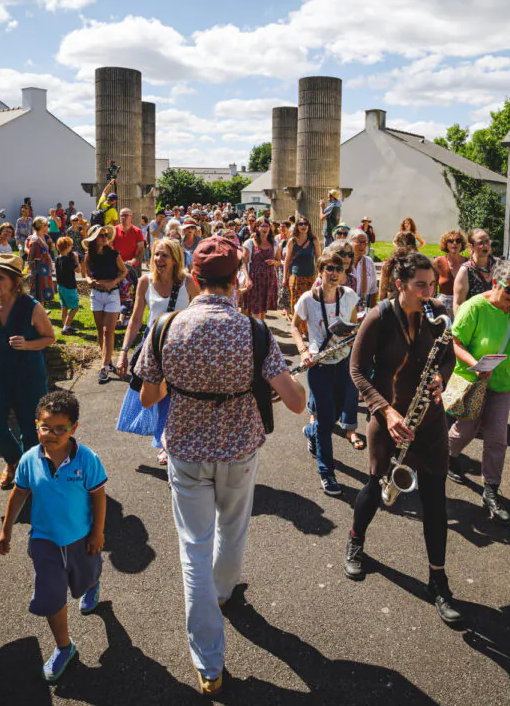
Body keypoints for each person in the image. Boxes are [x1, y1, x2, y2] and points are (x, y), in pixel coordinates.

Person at [135, 236, 307, 695]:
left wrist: (181, 383)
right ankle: (225, 591)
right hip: (238, 449)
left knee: (194, 548)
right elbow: (295, 404)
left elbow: (149, 397)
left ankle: (209, 664)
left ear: (194, 277)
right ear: (237, 281)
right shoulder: (255, 331)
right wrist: (298, 370)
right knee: (233, 529)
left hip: (187, 452)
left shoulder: (167, 327)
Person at [345, 253, 462, 625]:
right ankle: (355, 540)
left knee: (435, 499)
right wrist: (387, 411)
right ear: (400, 285)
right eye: (421, 285)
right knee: (376, 485)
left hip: (429, 420)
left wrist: (442, 377)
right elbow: (357, 371)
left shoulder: (439, 313)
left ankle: (438, 580)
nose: (430, 292)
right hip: (389, 417)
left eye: (433, 284)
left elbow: (448, 358)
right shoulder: (380, 316)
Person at [0, 390, 107, 682]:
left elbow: (98, 497)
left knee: (86, 577)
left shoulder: (87, 459)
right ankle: (64, 647)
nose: (52, 434)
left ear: (74, 428)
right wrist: (7, 530)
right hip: (44, 542)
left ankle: (94, 580)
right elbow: (19, 493)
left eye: (61, 429)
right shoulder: (29, 459)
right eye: (46, 427)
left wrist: (97, 532)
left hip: (81, 539)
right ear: (36, 426)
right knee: (51, 597)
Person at [446, 259, 510, 526]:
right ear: (496, 283)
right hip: (474, 381)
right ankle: (448, 455)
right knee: (465, 430)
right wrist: (475, 365)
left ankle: (491, 490)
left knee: (497, 438)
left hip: (503, 383)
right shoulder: (474, 308)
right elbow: (455, 344)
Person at [0, 255, 56, 489]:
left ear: (16, 281)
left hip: (29, 380)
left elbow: (50, 337)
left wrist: (27, 344)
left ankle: (28, 474)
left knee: (30, 430)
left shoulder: (31, 307)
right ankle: (13, 460)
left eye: (0, 278)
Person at [116, 239, 199, 465]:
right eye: (156, 255)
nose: (159, 260)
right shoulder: (145, 282)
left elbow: (200, 315)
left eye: (164, 256)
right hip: (153, 348)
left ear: (175, 260)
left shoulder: (188, 283)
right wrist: (124, 351)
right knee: (158, 395)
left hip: (181, 348)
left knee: (178, 396)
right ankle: (164, 442)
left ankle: (170, 442)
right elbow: (135, 319)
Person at [292, 247, 362, 495]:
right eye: (329, 268)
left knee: (333, 417)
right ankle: (327, 472)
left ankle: (310, 431)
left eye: (339, 269)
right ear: (320, 272)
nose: (334, 273)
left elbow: (354, 326)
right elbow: (294, 325)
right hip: (319, 365)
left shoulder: (350, 295)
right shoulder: (308, 299)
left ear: (344, 274)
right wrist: (303, 351)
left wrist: (353, 336)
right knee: (325, 422)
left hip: (344, 363)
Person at [84, 224, 129, 384]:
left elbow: (124, 271)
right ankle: (107, 358)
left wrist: (113, 283)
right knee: (100, 331)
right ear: (94, 239)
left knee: (108, 331)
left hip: (112, 294)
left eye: (105, 235)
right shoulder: (89, 256)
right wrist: (91, 282)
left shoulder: (113, 254)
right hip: (96, 295)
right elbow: (87, 275)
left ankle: (104, 366)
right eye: (101, 236)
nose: (104, 238)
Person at [112, 208, 145, 330]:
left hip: (131, 268)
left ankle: (126, 319)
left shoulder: (137, 231)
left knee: (130, 294)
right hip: (116, 268)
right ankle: (115, 317)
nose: (123, 218)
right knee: (115, 292)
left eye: (126, 215)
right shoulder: (114, 230)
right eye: (121, 215)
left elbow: (141, 250)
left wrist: (134, 260)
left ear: (132, 217)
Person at [241, 219, 280, 321]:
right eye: (262, 226)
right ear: (257, 228)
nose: (265, 228)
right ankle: (257, 333)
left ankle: (260, 332)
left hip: (269, 279)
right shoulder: (249, 243)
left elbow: (279, 261)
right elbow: (243, 262)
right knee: (256, 311)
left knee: (263, 311)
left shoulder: (275, 244)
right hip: (255, 279)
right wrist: (247, 278)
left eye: (267, 226)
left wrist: (274, 262)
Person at [451, 228, 495, 314]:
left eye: (487, 241)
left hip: (496, 321)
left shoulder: (499, 266)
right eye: (480, 243)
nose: (485, 245)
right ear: (471, 246)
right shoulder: (466, 271)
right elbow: (458, 304)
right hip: (474, 321)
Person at [282, 218, 316, 317]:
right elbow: (287, 261)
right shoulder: (292, 241)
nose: (303, 226)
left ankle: (306, 330)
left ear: (309, 226)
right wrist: (285, 277)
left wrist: (320, 276)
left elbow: (319, 259)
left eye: (306, 224)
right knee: (296, 304)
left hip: (310, 277)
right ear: (297, 226)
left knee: (309, 304)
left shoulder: (314, 241)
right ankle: (297, 328)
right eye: (301, 224)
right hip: (296, 277)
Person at [432, 230, 467, 311]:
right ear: (446, 244)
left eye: (458, 241)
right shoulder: (438, 262)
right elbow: (432, 287)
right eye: (450, 241)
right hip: (443, 307)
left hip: (463, 305)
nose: (454, 243)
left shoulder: (468, 263)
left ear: (462, 244)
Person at [54, 236, 81, 335]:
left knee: (64, 306)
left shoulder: (58, 259)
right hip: (69, 287)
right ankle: (66, 327)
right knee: (75, 307)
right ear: (67, 247)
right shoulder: (69, 260)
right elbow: (78, 270)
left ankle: (66, 325)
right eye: (71, 246)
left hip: (60, 286)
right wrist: (76, 259)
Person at [347, 228, 378, 309]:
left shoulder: (369, 262)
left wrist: (373, 311)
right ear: (350, 242)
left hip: (362, 308)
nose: (363, 246)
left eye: (365, 243)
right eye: (360, 242)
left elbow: (373, 290)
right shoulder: (345, 261)